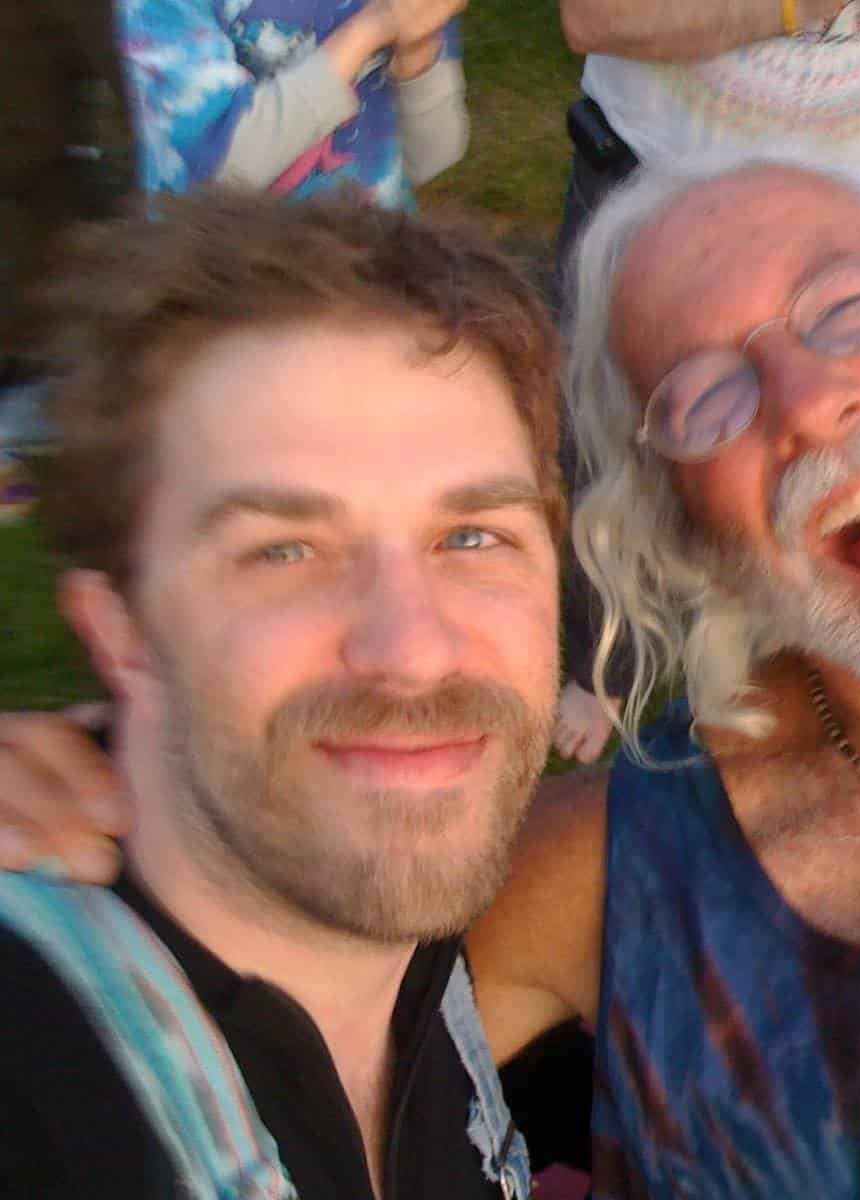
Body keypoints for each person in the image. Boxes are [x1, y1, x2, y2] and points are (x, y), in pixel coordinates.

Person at [5, 155, 860, 1197]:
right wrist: (116, 755)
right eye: (705, 396)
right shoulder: (610, 875)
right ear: (689, 535)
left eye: (849, 304)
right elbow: (262, 914)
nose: (809, 404)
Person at [0, 187, 566, 1198]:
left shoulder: (408, 947)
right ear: (120, 631)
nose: (414, 651)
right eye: (285, 551)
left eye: (471, 536)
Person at [550, 0, 860, 762]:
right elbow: (599, 19)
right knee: (612, 458)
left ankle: (807, 679)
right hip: (644, 194)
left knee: (826, 471)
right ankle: (604, 667)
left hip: (832, 223)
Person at [119, 0, 468, 206]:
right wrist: (371, 30)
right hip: (229, 285)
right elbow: (218, 170)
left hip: (372, 274)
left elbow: (430, 159)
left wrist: (418, 54)